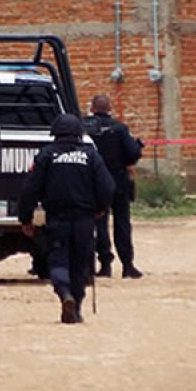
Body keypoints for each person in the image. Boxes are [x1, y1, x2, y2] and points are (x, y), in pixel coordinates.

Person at [18, 113, 115, 324]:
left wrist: (25, 218)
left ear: (55, 134)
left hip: (57, 220)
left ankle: (64, 294)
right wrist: (100, 208)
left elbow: (31, 188)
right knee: (80, 264)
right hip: (84, 220)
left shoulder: (46, 155)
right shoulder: (91, 156)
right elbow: (107, 187)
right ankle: (77, 307)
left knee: (58, 260)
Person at [83, 95, 144, 279]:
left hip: (96, 182)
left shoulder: (85, 128)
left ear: (92, 109)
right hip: (118, 181)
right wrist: (138, 147)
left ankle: (105, 265)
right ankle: (127, 265)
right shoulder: (119, 128)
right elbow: (132, 154)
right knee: (122, 223)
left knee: (99, 223)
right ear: (109, 109)